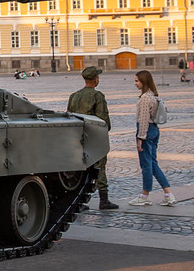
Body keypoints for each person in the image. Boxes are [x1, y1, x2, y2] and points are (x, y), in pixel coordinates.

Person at [67, 66, 118, 210]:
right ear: (96, 80)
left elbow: (69, 116)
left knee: (79, 170)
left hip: (77, 138)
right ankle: (104, 200)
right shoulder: (97, 96)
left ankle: (78, 202)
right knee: (99, 167)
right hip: (94, 139)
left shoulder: (74, 96)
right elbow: (103, 120)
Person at [129, 70, 175, 206]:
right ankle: (168, 194)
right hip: (155, 130)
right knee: (153, 163)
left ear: (144, 81)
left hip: (146, 131)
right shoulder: (153, 96)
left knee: (146, 165)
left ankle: (145, 196)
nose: (135, 83)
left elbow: (143, 120)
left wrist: (140, 138)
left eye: (137, 80)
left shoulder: (144, 98)